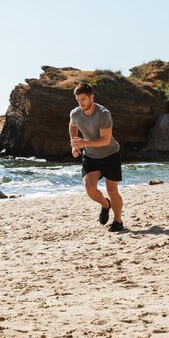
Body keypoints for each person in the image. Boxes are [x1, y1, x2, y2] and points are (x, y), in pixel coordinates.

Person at [69, 82, 124, 232]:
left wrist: (83, 142)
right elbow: (72, 125)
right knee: (90, 189)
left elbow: (105, 140)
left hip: (110, 154)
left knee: (112, 190)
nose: (81, 103)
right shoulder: (75, 113)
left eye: (83, 99)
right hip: (91, 156)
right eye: (78, 100)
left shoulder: (103, 114)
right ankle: (106, 205)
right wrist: (74, 144)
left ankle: (118, 221)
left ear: (91, 97)